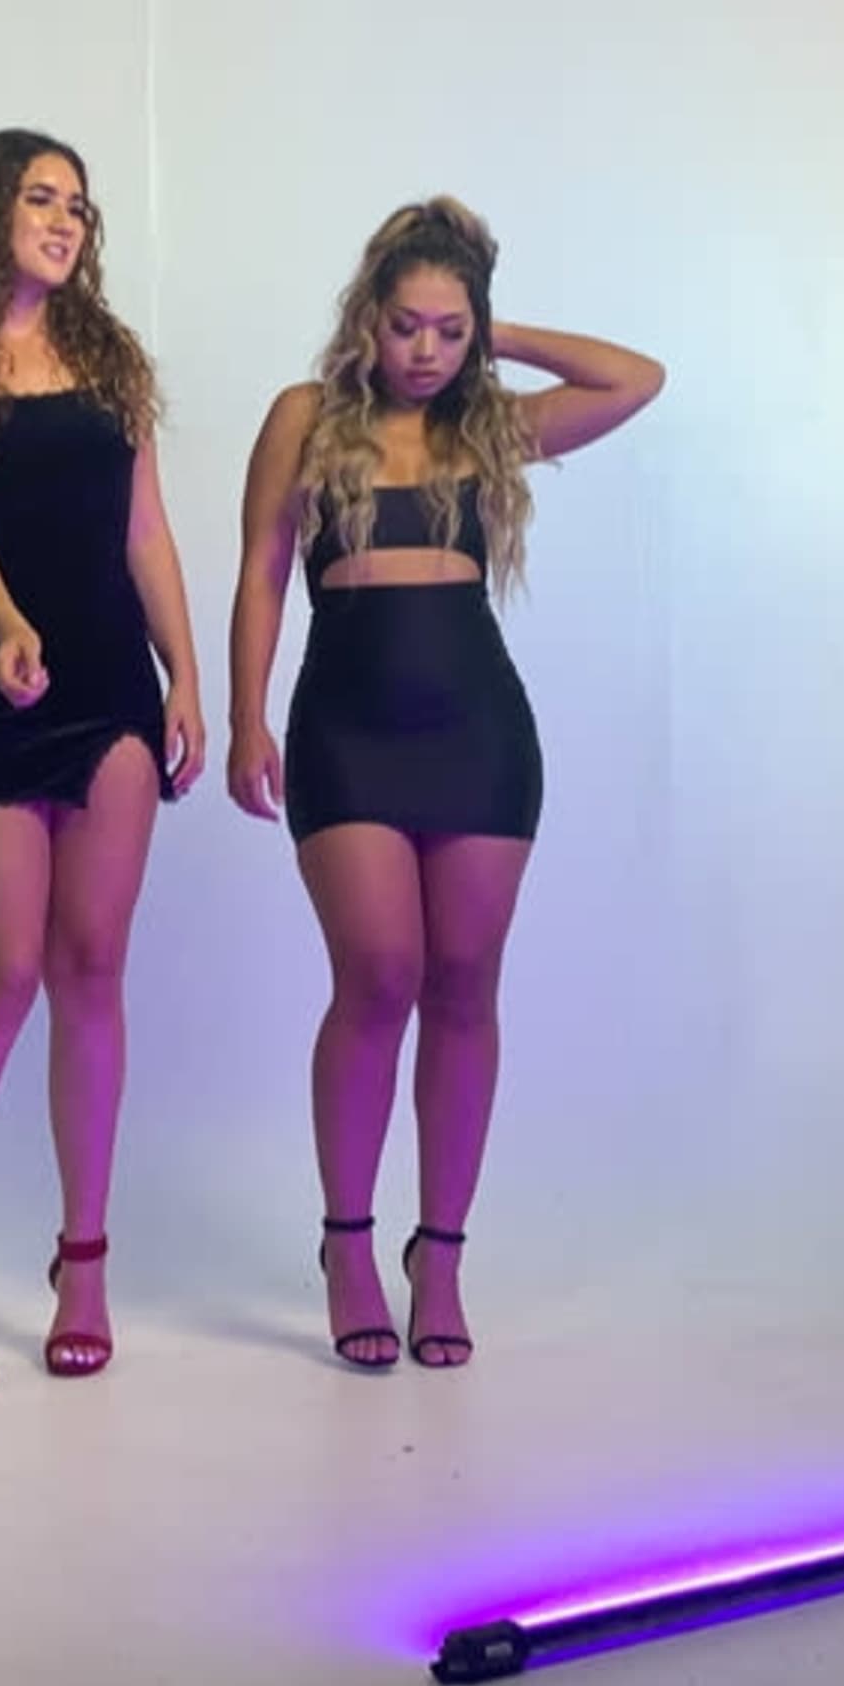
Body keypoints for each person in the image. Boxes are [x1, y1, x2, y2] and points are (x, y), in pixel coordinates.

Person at [222, 199, 663, 1369]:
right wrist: (243, 717)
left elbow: (635, 379)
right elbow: (265, 569)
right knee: (379, 974)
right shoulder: (307, 418)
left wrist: (497, 328)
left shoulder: (490, 429)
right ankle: (351, 1243)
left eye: (448, 331)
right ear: (365, 318)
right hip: (347, 731)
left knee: (464, 983)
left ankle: (444, 1255)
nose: (425, 350)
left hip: (478, 733)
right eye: (406, 324)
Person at [0, 129, 206, 1387]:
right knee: (1, 974)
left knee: (93, 966)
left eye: (78, 202)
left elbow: (148, 534)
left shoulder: (110, 361)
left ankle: (87, 1260)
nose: (65, 219)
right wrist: (8, 623)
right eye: (39, 198)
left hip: (111, 685)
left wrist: (187, 678)